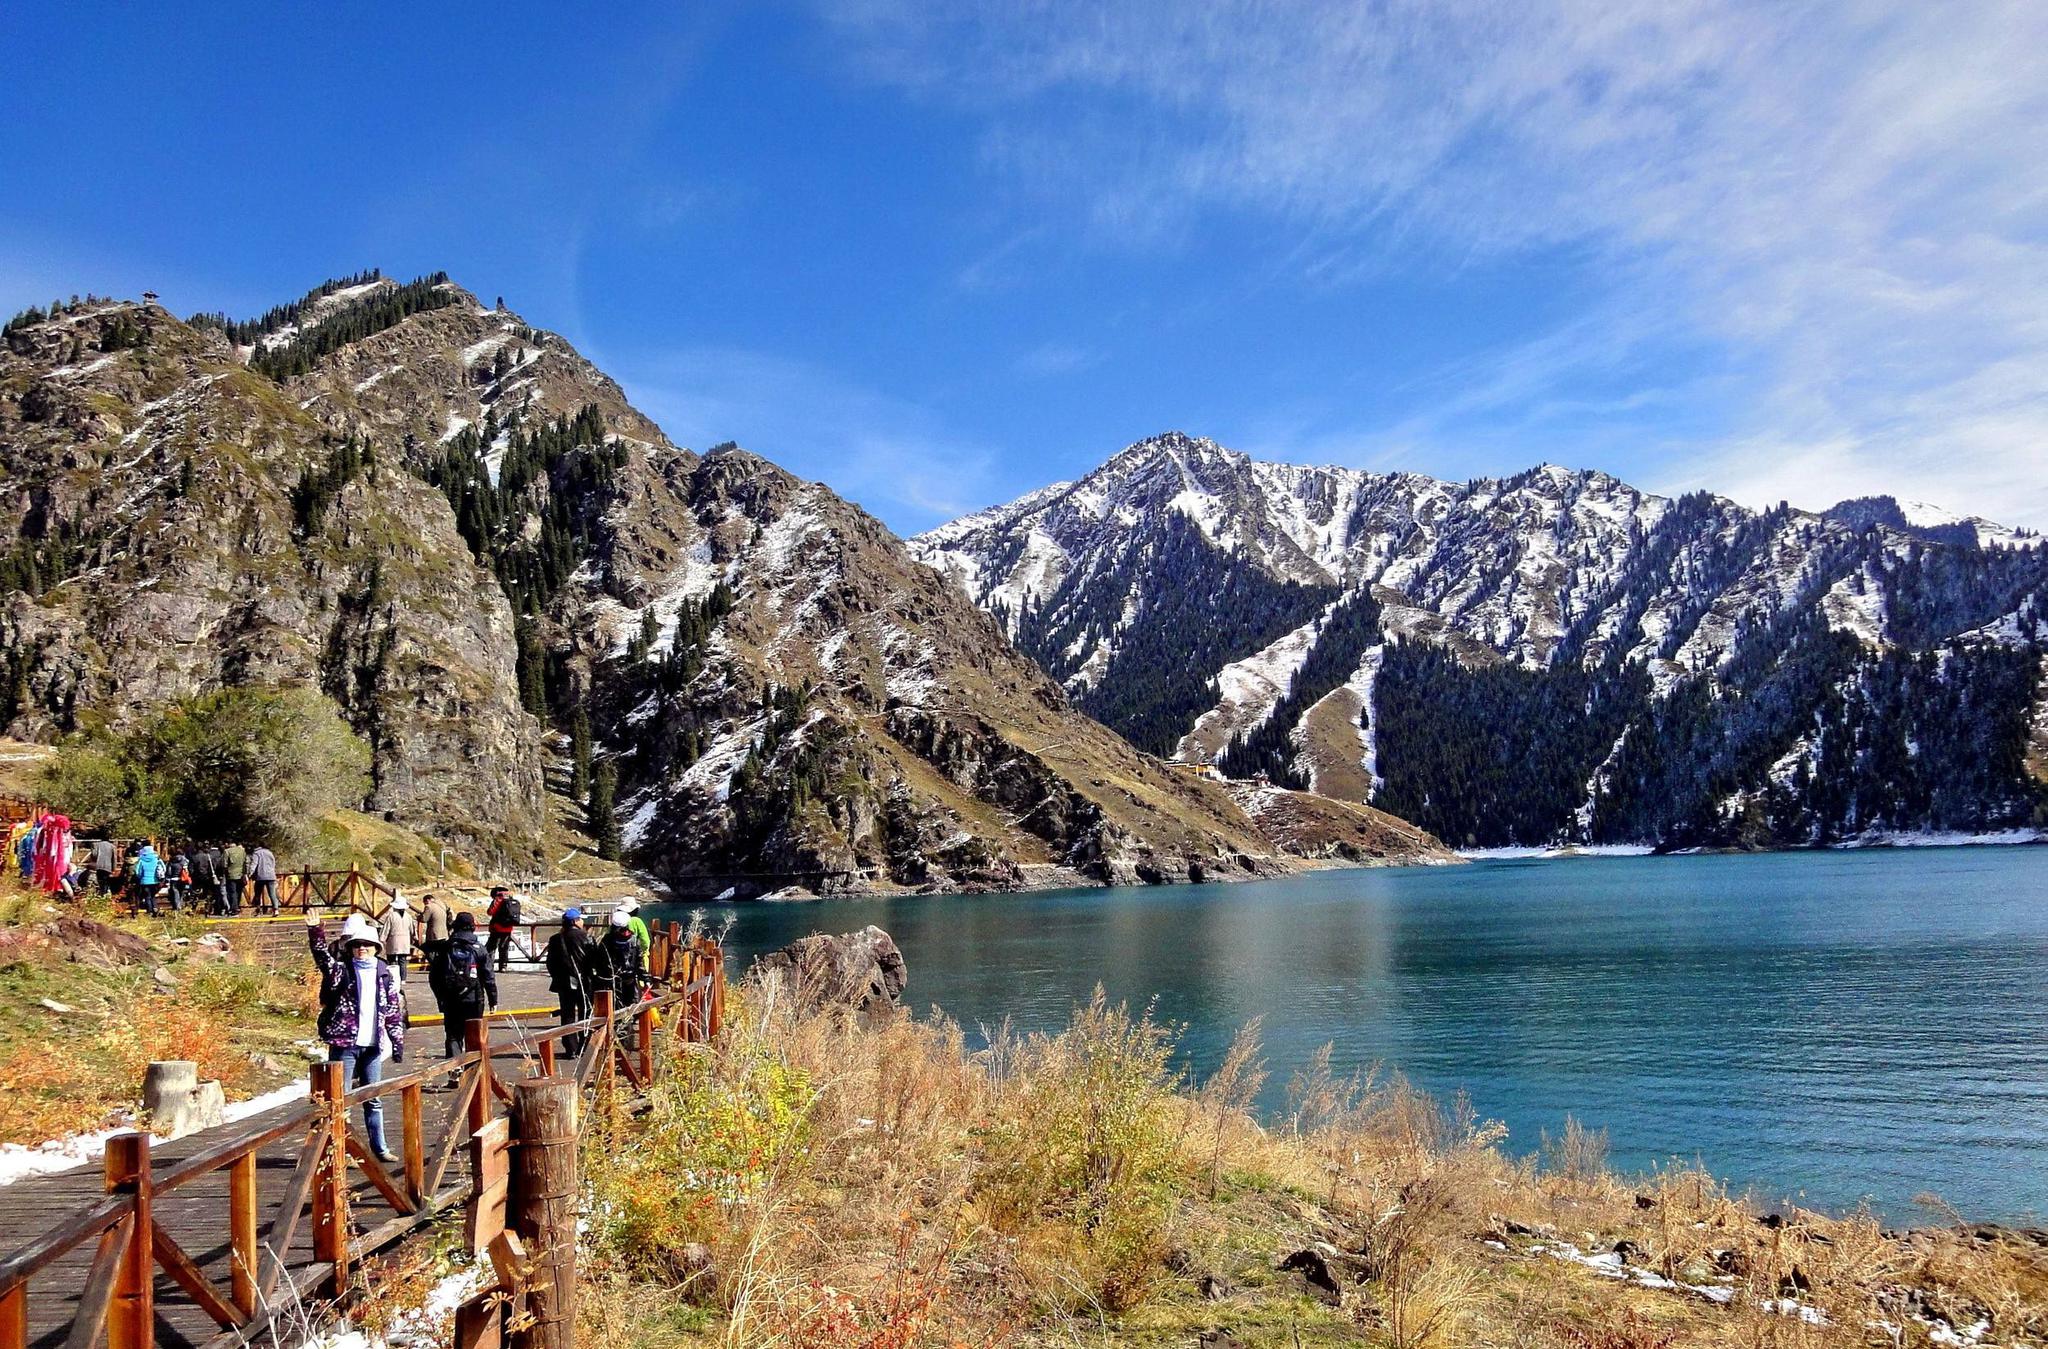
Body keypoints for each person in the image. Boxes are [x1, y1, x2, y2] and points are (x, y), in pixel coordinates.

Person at [306, 911, 404, 1164]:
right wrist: (315, 930)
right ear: (350, 948)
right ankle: (342, 1150)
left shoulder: (384, 975)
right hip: (344, 1044)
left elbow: (393, 1011)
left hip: (372, 1046)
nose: (362, 949)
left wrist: (397, 1042)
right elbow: (321, 958)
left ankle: (380, 1148)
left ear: (376, 948)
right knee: (342, 1101)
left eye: (367, 945)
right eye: (357, 945)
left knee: (373, 1099)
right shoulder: (341, 970)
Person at [429, 912, 497, 1058]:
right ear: (473, 926)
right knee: (474, 1035)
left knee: (453, 1036)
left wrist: (441, 997)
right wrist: (493, 1000)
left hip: (450, 998)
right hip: (474, 998)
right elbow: (488, 976)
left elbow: (434, 977)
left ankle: (455, 1070)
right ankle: (473, 1072)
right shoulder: (479, 948)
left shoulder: (445, 947)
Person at [544, 908, 593, 1056]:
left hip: (564, 983)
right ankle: (584, 1046)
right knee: (586, 1013)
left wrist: (557, 976)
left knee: (567, 1014)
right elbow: (593, 960)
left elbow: (550, 963)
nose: (582, 921)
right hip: (584, 982)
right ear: (575, 921)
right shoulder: (586, 937)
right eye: (580, 919)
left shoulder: (555, 939)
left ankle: (570, 1047)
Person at [586, 908, 645, 1008]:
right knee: (629, 1006)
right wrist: (645, 978)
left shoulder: (606, 941)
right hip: (628, 979)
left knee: (613, 1007)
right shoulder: (633, 940)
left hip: (610, 980)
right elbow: (639, 962)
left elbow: (600, 962)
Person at [484, 886, 520, 972]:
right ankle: (503, 966)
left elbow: (490, 912)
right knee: (504, 948)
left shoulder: (498, 899)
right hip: (508, 928)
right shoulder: (511, 899)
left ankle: (489, 966)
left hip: (496, 928)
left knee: (491, 948)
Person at [379, 892, 414, 972]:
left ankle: (393, 976)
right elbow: (412, 929)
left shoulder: (391, 916)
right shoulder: (408, 916)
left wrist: (382, 938)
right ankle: (403, 978)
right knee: (403, 960)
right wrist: (413, 937)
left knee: (392, 959)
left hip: (393, 940)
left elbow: (386, 928)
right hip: (405, 940)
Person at [418, 892, 453, 971]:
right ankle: (442, 966)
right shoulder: (442, 904)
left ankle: (435, 965)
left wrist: (419, 917)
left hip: (434, 935)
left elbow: (424, 919)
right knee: (441, 951)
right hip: (444, 934)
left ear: (427, 900)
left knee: (427, 949)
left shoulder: (429, 907)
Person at [615, 899, 653, 965]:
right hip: (636, 957)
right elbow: (645, 940)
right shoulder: (636, 921)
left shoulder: (616, 922)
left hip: (616, 956)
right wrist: (644, 951)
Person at [187, 843, 219, 915]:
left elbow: (190, 869)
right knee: (208, 893)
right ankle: (207, 907)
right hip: (207, 877)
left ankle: (193, 908)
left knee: (195, 893)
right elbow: (213, 867)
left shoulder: (194, 857)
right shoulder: (209, 857)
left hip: (197, 877)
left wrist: (193, 875)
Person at [133, 840, 163, 916]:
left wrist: (140, 877)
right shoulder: (156, 857)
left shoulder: (141, 859)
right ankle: (155, 908)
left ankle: (149, 911)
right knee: (153, 895)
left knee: (147, 896)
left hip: (144, 881)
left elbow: (137, 871)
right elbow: (163, 868)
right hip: (155, 880)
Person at [248, 843, 279, 914]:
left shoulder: (256, 853)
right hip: (271, 875)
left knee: (258, 892)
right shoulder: (270, 853)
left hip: (260, 876)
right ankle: (276, 909)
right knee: (272, 893)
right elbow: (273, 863)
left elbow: (254, 864)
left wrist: (250, 873)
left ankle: (258, 908)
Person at [222, 841, 248, 914]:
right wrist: (245, 873)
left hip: (231, 875)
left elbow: (224, 865)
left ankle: (234, 908)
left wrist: (225, 873)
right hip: (241, 874)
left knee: (232, 892)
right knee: (239, 891)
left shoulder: (227, 851)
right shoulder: (242, 851)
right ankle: (237, 906)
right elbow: (246, 863)